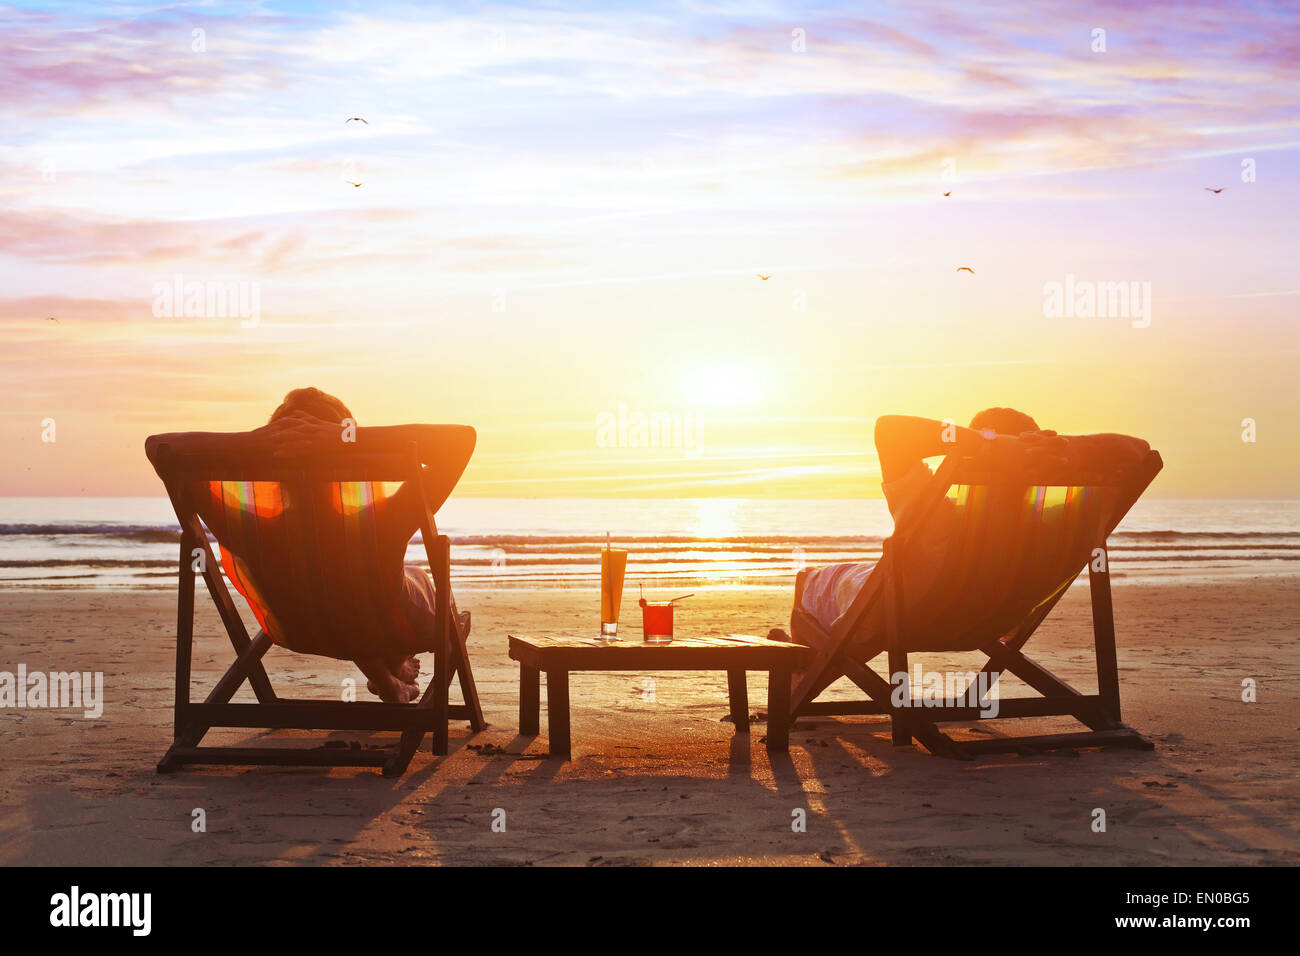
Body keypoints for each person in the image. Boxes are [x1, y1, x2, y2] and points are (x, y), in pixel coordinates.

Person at [144, 388, 474, 703]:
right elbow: (461, 440)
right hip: (388, 629)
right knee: (406, 583)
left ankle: (392, 676)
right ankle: (395, 662)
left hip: (299, 631)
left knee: (342, 595)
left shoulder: (248, 528)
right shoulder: (383, 522)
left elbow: (157, 446)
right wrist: (346, 437)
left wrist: (250, 442)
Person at [795, 409, 1150, 641]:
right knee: (865, 577)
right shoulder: (1055, 524)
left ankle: (801, 665)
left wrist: (993, 445)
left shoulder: (936, 515)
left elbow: (889, 430)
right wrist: (1052, 449)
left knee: (812, 582)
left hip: (904, 618)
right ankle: (810, 659)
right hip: (993, 621)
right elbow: (1138, 449)